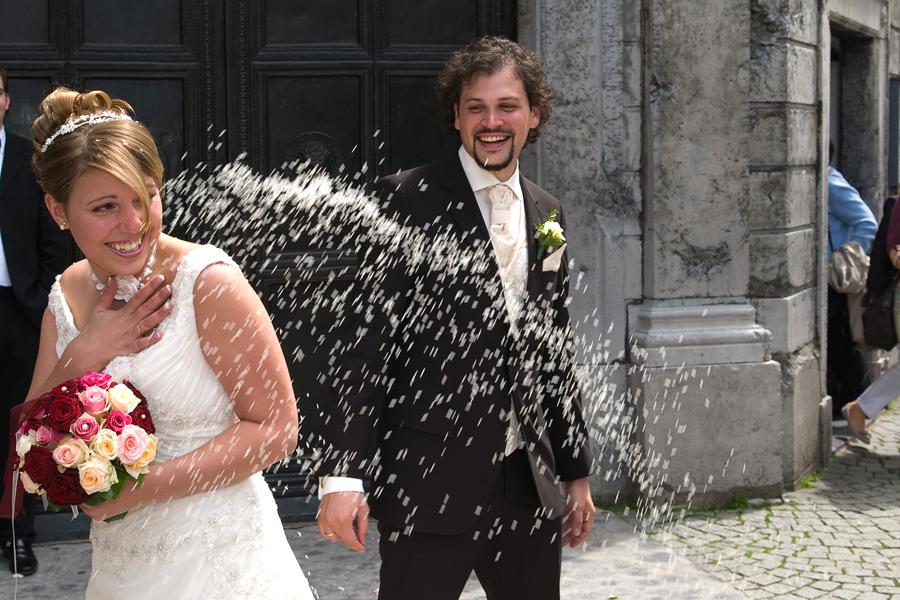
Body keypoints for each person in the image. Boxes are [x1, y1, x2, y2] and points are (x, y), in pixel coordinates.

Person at [314, 36, 595, 600]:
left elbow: (552, 347)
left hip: (527, 486)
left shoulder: (549, 215)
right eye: (477, 108)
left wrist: (575, 471)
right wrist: (342, 476)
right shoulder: (403, 199)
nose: (492, 122)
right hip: (429, 481)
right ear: (458, 117)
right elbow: (362, 345)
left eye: (507, 106)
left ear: (533, 114)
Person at [24, 87, 314, 598]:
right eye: (106, 206)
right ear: (57, 209)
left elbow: (277, 428)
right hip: (121, 571)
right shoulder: (66, 295)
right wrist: (86, 351)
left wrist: (138, 490)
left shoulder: (207, 282)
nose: (134, 224)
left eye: (146, 197)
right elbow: (30, 444)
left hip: (225, 564)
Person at [0, 63, 67, 575]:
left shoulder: (30, 160)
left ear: (4, 100)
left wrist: (44, 304)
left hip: (19, 312)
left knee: (20, 425)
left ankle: (18, 534)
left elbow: (53, 245)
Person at [826, 142, 877, 418]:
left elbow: (867, 223)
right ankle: (849, 401)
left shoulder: (831, 183)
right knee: (837, 340)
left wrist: (845, 257)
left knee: (842, 341)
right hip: (827, 277)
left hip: (836, 277)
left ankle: (863, 404)